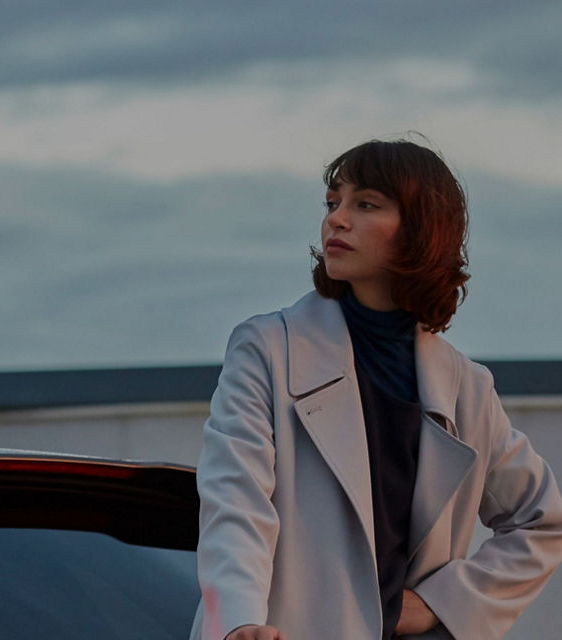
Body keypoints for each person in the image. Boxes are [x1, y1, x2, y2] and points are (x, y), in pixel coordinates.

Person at [190, 139, 562, 640]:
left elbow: (543, 522)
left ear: (421, 229)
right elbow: (236, 502)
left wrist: (441, 603)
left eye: (365, 204)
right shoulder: (267, 350)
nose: (336, 220)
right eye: (332, 203)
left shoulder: (466, 389)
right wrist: (239, 621)